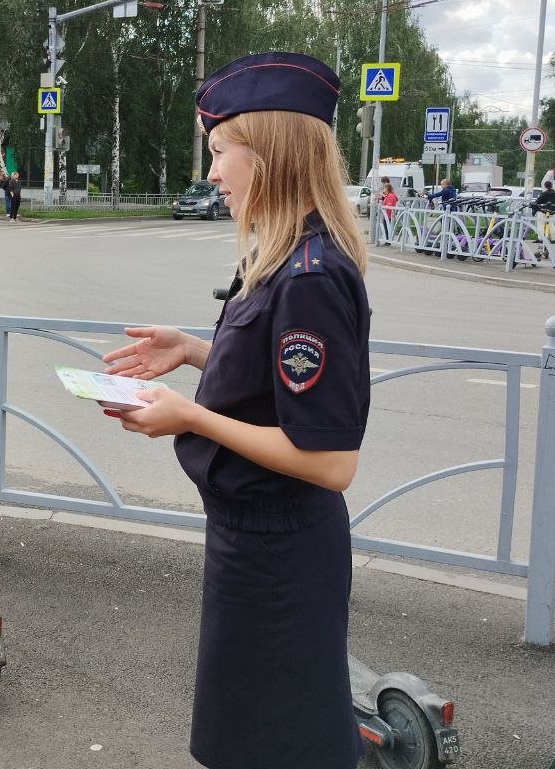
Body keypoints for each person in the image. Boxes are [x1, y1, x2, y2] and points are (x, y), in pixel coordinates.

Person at [103, 51, 368, 769]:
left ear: (273, 154)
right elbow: (272, 388)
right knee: (249, 738)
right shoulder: (284, 258)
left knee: (278, 743)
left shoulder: (310, 276)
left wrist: (189, 416)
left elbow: (330, 461)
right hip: (255, 542)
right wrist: (192, 350)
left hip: (281, 551)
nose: (213, 172)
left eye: (222, 152)